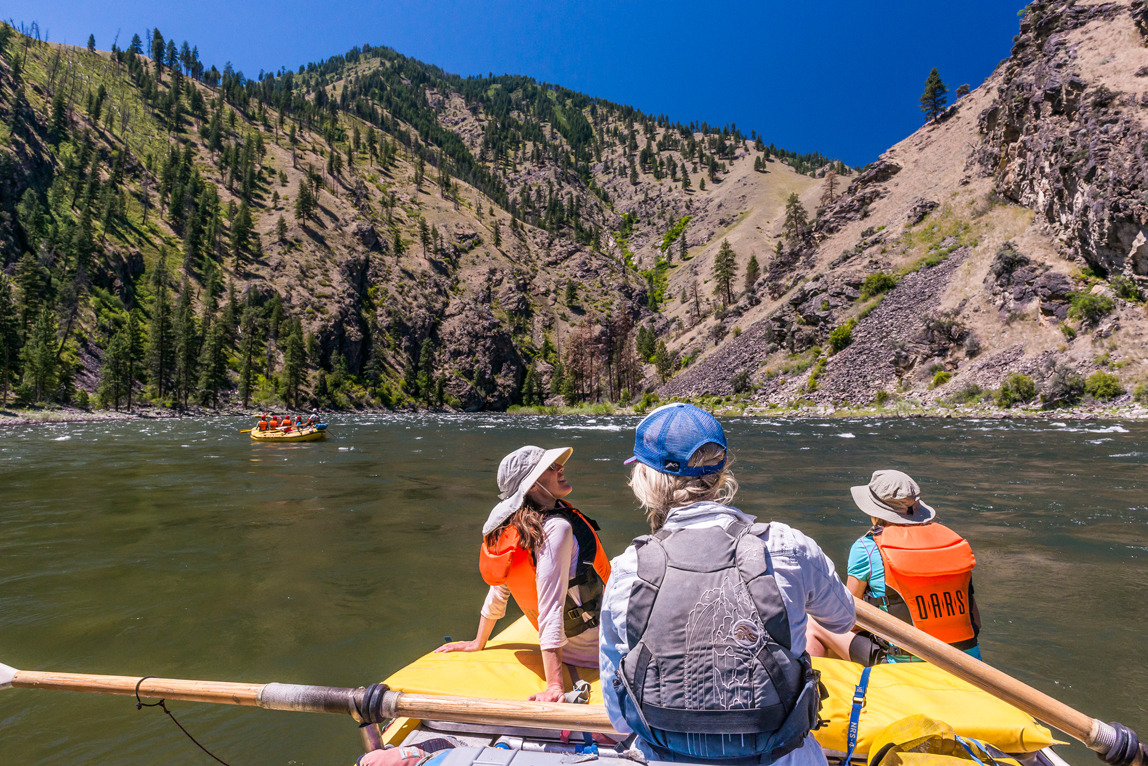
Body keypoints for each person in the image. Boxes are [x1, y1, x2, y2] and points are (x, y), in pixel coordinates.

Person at [600, 403, 855, 765]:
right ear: (720, 474)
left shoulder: (627, 570)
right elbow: (843, 621)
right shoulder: (787, 547)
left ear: (646, 480)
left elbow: (617, 713)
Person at [436, 445, 611, 703]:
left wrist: (478, 641)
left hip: (575, 646)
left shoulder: (513, 530)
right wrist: (555, 685)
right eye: (550, 467)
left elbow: (500, 590)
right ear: (532, 486)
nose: (560, 468)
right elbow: (551, 607)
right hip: (597, 652)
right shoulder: (557, 528)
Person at [805, 470, 981, 666]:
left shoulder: (867, 549)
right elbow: (976, 622)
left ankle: (817, 690)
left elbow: (848, 620)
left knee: (813, 623)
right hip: (967, 661)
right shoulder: (952, 545)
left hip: (902, 663)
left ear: (875, 510)